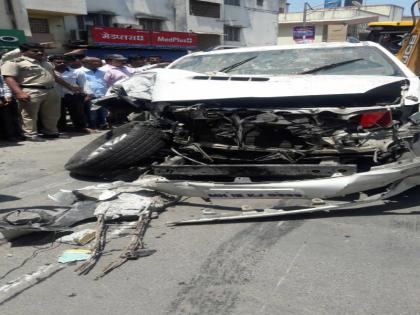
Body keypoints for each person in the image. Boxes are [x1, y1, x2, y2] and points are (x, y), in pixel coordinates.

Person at [1, 43, 81, 140]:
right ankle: (30, 134)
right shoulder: (15, 62)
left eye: (41, 51)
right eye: (35, 51)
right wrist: (18, 92)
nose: (39, 53)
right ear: (23, 52)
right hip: (31, 90)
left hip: (51, 90)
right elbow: (9, 78)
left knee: (53, 114)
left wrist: (70, 87)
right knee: (29, 115)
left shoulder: (46, 63)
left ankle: (51, 132)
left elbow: (55, 77)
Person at [50, 55, 90, 133]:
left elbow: (83, 84)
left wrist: (87, 94)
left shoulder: (77, 72)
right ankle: (61, 128)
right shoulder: (49, 72)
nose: (62, 63)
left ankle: (80, 128)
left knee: (78, 113)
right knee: (58, 113)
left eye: (64, 62)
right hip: (56, 95)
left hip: (73, 95)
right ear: (52, 63)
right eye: (58, 62)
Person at [78, 57, 109, 129]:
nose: (99, 63)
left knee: (103, 112)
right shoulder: (80, 72)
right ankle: (92, 126)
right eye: (95, 61)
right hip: (89, 96)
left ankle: (102, 124)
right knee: (92, 113)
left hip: (102, 94)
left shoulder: (102, 72)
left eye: (99, 61)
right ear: (85, 63)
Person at [0, 73, 24, 141]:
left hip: (4, 97)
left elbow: (4, 84)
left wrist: (8, 95)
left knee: (9, 118)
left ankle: (12, 134)